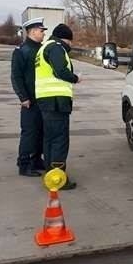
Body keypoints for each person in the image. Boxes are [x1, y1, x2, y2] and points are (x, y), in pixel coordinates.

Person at [35, 23, 81, 189]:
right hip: (56, 102)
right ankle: (58, 178)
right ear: (66, 40)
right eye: (70, 42)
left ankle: (50, 172)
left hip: (46, 100)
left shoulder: (44, 48)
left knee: (50, 139)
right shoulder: (56, 48)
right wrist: (76, 78)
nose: (71, 46)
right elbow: (60, 71)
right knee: (59, 140)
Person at [11, 17, 46, 176]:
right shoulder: (21, 51)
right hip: (30, 100)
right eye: (41, 30)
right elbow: (16, 76)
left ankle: (36, 160)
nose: (43, 33)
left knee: (40, 132)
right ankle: (24, 164)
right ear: (32, 31)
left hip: (42, 98)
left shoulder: (43, 49)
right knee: (29, 133)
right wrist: (23, 97)